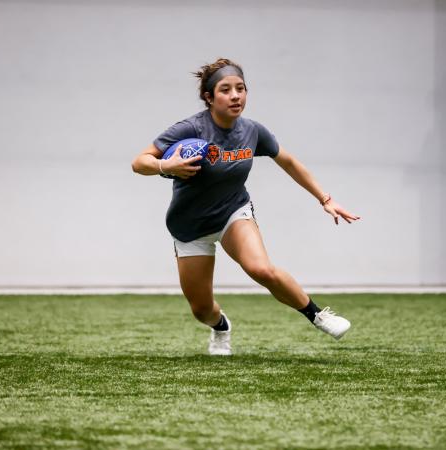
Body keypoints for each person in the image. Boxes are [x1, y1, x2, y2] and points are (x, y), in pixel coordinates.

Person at [132, 58, 359, 356]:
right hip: (190, 227)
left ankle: (317, 315)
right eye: (225, 90)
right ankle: (221, 326)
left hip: (232, 212)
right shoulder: (191, 128)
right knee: (201, 309)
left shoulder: (252, 131)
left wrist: (325, 199)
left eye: (241, 88)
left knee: (261, 268)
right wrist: (166, 165)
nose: (236, 95)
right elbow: (139, 162)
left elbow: (288, 162)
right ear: (209, 98)